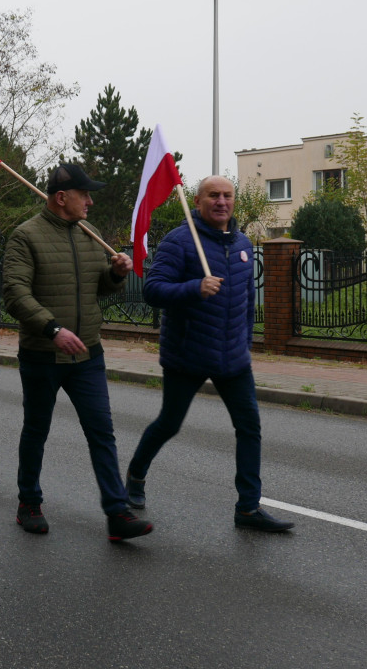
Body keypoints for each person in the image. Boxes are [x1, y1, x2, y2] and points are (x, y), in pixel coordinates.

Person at [127, 175, 295, 532]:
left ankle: (248, 508)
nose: (221, 202)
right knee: (169, 423)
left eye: (227, 195)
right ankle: (136, 476)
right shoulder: (179, 241)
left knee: (249, 427)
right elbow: (153, 290)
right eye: (213, 196)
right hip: (187, 354)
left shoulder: (243, 243)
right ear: (199, 201)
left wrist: (245, 343)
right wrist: (194, 287)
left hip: (233, 358)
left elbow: (248, 300)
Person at [3, 163, 153, 543]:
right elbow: (15, 295)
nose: (90, 201)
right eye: (84, 195)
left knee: (102, 431)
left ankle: (117, 513)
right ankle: (29, 503)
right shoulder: (26, 237)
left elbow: (97, 289)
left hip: (88, 354)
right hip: (42, 354)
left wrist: (116, 274)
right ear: (61, 198)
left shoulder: (91, 234)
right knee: (37, 430)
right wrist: (52, 329)